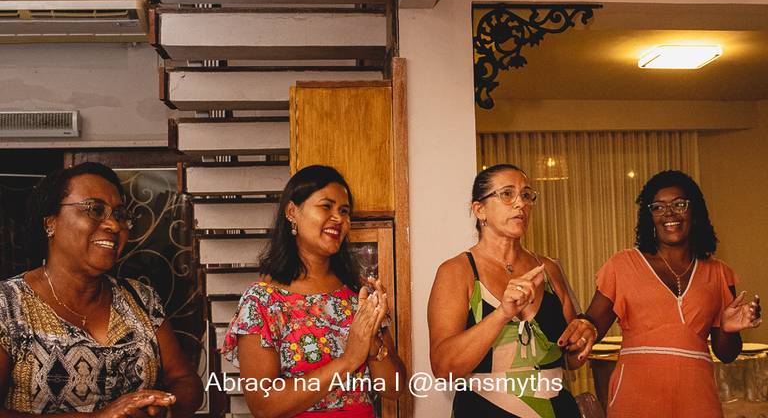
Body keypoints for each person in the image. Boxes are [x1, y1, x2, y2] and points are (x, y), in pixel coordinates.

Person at [0, 162, 203, 417]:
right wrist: (99, 416)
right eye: (95, 210)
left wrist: (160, 408)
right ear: (51, 222)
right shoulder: (8, 306)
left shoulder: (142, 299)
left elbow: (185, 380)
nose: (114, 226)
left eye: (120, 215)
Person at [563, 170, 762, 417]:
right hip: (636, 396)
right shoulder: (623, 265)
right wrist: (582, 330)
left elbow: (727, 354)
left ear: (694, 211)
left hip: (697, 397)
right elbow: (593, 324)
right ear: (650, 217)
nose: (669, 213)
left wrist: (728, 329)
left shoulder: (718, 272)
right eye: (658, 207)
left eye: (679, 204)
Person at [221, 165, 405, 418]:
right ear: (292, 212)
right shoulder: (263, 301)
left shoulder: (358, 293)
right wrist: (349, 360)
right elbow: (263, 405)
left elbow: (395, 389)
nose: (338, 218)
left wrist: (373, 346)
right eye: (326, 206)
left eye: (344, 211)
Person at [428, 163, 596, 418]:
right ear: (480, 210)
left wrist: (583, 336)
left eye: (526, 195)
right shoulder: (457, 271)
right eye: (507, 194)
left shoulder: (548, 269)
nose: (521, 204)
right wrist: (502, 314)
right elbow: (443, 368)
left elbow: (570, 360)